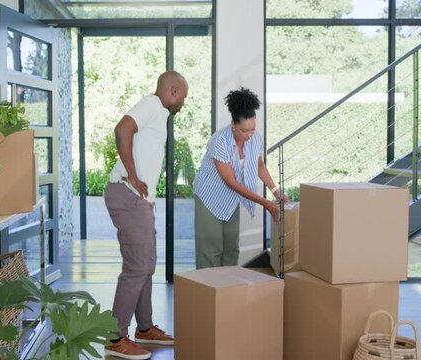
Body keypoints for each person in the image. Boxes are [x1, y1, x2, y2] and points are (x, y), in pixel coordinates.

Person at [103, 71, 188, 360]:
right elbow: (122, 129)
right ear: (174, 91)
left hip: (140, 200)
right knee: (138, 267)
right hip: (128, 195)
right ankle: (115, 337)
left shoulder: (159, 114)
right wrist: (132, 175)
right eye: (184, 97)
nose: (183, 103)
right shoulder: (153, 104)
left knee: (147, 264)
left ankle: (145, 328)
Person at [192, 87, 288, 269]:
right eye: (244, 130)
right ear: (233, 125)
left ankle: (227, 292)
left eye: (252, 129)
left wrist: (276, 192)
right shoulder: (219, 141)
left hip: (230, 200)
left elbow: (259, 166)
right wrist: (265, 203)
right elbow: (231, 182)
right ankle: (207, 293)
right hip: (209, 198)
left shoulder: (256, 139)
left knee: (231, 250)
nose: (249, 135)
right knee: (211, 250)